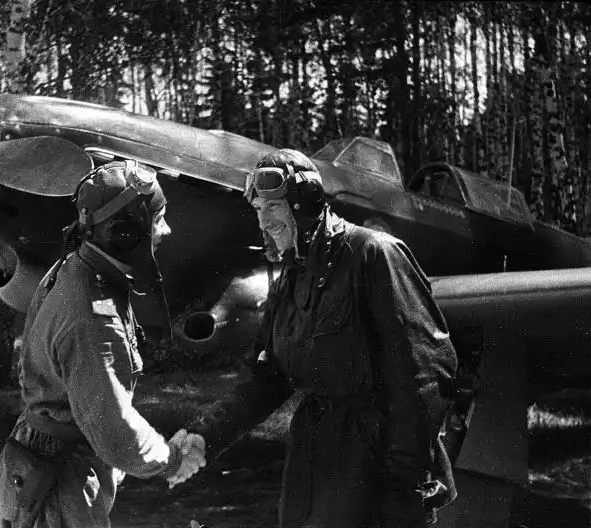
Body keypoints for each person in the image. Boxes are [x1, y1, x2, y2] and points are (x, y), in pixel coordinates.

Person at [189, 149, 459, 527]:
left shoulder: (373, 254)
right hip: (315, 453)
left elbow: (427, 373)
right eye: (258, 211)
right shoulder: (290, 279)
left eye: (272, 207)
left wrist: (403, 479)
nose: (264, 222)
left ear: (305, 202)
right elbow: (266, 380)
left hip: (377, 458)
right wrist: (206, 434)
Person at [0, 159, 206, 528]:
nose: (166, 231)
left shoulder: (75, 267)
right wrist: (170, 457)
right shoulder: (93, 314)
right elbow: (114, 430)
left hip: (41, 470)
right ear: (126, 233)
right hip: (61, 486)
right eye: (158, 220)